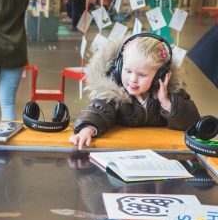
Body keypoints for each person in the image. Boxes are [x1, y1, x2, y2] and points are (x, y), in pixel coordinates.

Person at [70, 33, 200, 149]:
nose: (133, 79)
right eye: (127, 71)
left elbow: (191, 122)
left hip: (159, 150)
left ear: (159, 76)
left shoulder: (170, 92)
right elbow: (98, 110)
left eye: (142, 75)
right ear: (119, 67)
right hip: (122, 150)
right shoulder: (112, 92)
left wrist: (166, 102)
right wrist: (87, 129)